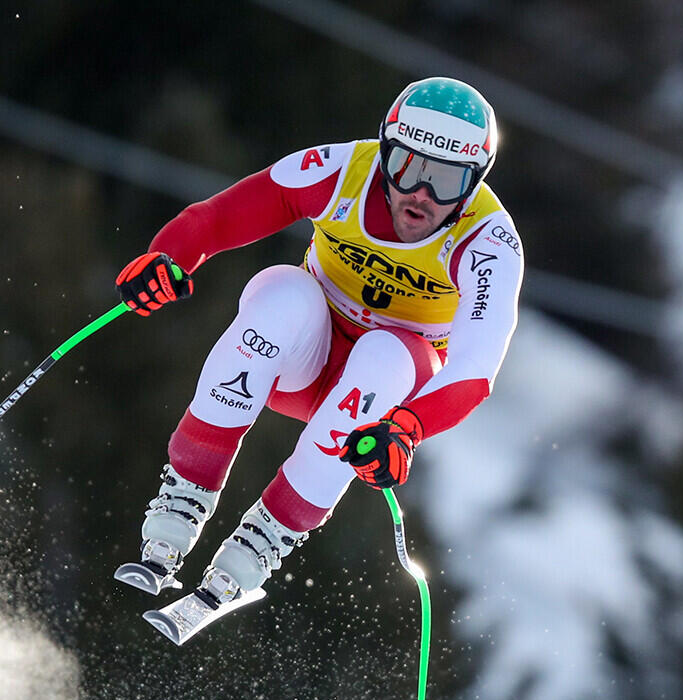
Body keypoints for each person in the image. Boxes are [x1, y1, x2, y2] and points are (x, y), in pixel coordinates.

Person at [115, 77, 524, 604]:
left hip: (376, 397)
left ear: (473, 182)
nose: (420, 194)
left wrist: (407, 428)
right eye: (407, 167)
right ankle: (183, 496)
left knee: (385, 353)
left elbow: (475, 368)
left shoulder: (488, 241)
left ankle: (265, 540)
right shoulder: (344, 170)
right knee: (282, 291)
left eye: (445, 180)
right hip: (301, 359)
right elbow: (216, 218)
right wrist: (167, 258)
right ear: (385, 151)